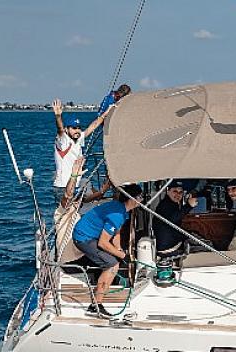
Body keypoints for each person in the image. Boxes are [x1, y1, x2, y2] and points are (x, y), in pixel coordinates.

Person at [72, 183, 143, 318]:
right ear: (132, 198)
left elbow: (116, 233)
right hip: (84, 238)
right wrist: (123, 256)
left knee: (115, 257)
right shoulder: (118, 215)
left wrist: (119, 250)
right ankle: (96, 306)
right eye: (140, 197)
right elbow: (103, 242)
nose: (142, 200)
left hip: (91, 234)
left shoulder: (122, 210)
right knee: (112, 265)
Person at [52, 98, 118, 203]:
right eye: (73, 128)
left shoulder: (78, 138)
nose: (77, 130)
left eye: (78, 127)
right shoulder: (63, 141)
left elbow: (93, 126)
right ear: (67, 129)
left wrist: (106, 113)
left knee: (76, 212)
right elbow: (60, 129)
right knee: (68, 214)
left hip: (75, 185)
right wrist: (58, 116)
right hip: (63, 187)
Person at [153, 180, 198, 253]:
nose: (178, 195)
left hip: (169, 241)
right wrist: (189, 206)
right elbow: (172, 220)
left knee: (195, 236)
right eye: (175, 191)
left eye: (180, 192)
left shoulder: (171, 203)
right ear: (168, 192)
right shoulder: (165, 205)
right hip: (168, 245)